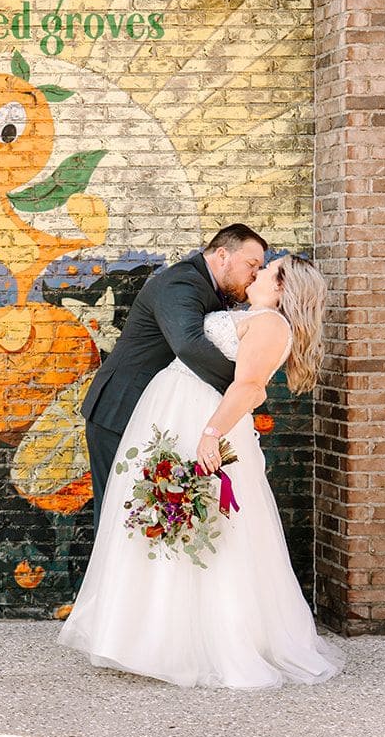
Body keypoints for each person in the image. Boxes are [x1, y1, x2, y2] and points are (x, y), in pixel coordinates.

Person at [59, 253, 344, 689]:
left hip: (201, 421)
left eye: (267, 269)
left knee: (203, 529)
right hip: (174, 414)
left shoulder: (271, 325)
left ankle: (189, 643)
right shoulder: (254, 316)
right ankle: (152, 637)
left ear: (284, 287)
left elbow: (248, 386)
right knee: (166, 522)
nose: (259, 270)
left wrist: (211, 434)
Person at [80, 224, 267, 533]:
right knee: (118, 517)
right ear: (223, 256)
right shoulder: (182, 282)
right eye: (252, 265)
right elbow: (188, 345)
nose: (255, 275)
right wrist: (243, 388)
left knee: (145, 520)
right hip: (119, 412)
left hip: (152, 416)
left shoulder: (208, 289)